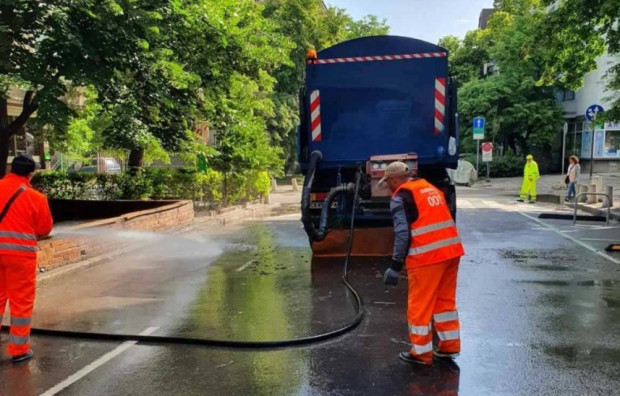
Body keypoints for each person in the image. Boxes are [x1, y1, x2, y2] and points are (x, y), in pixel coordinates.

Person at [380, 161, 464, 366]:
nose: (389, 187)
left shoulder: (401, 196)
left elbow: (402, 233)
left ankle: (421, 353)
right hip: (451, 252)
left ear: (394, 179)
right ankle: (449, 346)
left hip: (427, 257)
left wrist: (395, 265)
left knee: (420, 305)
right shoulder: (430, 188)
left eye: (388, 182)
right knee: (444, 303)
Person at [0, 155, 53, 363]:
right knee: (21, 302)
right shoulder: (36, 197)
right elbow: (44, 229)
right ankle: (19, 349)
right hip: (20, 257)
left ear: (11, 169)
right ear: (30, 174)